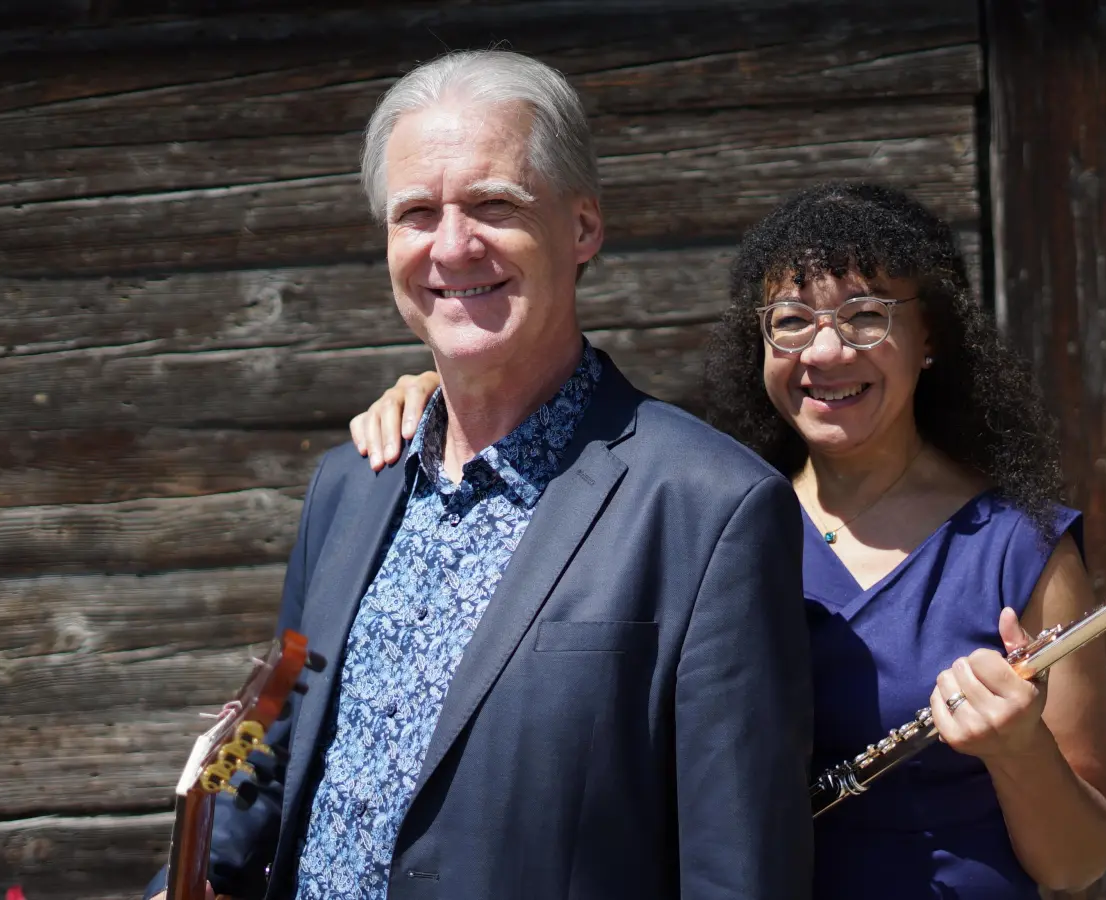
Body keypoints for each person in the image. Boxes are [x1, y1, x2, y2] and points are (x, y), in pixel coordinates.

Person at [147, 50, 814, 900]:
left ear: (582, 227)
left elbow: (741, 871)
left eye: (493, 205)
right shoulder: (349, 486)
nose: (452, 246)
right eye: (417, 213)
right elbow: (276, 752)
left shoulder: (710, 508)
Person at [350, 182, 1106, 897]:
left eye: (866, 317)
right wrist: (440, 395)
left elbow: (1079, 863)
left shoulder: (1025, 551)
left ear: (929, 337)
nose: (824, 354)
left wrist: (1018, 750)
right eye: (791, 322)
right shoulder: (709, 518)